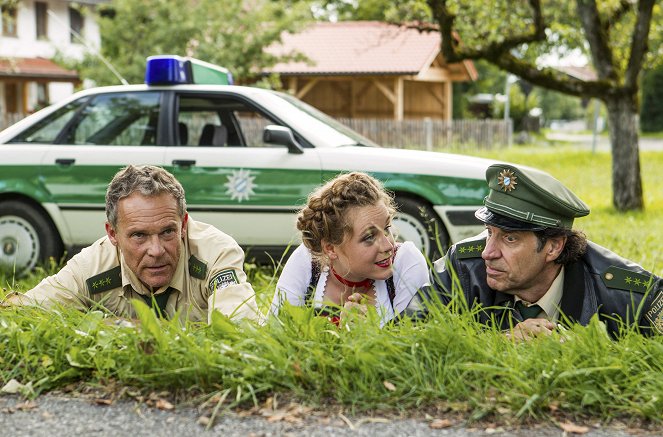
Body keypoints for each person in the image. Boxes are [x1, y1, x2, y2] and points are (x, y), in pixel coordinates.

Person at [408, 163, 661, 339]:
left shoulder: (627, 293)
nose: (488, 253)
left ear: (553, 246)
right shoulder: (462, 267)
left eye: (509, 238)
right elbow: (408, 335)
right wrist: (501, 340)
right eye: (489, 232)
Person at [2, 165, 261, 324]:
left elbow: (241, 331)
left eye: (168, 232)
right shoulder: (92, 266)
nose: (156, 250)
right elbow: (21, 315)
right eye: (139, 236)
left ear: (183, 224)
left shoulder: (215, 254)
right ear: (112, 234)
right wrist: (108, 328)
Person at [271, 172, 429, 327]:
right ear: (330, 248)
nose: (388, 246)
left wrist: (368, 335)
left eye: (386, 228)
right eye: (369, 237)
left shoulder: (406, 262)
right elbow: (276, 335)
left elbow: (412, 343)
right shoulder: (307, 261)